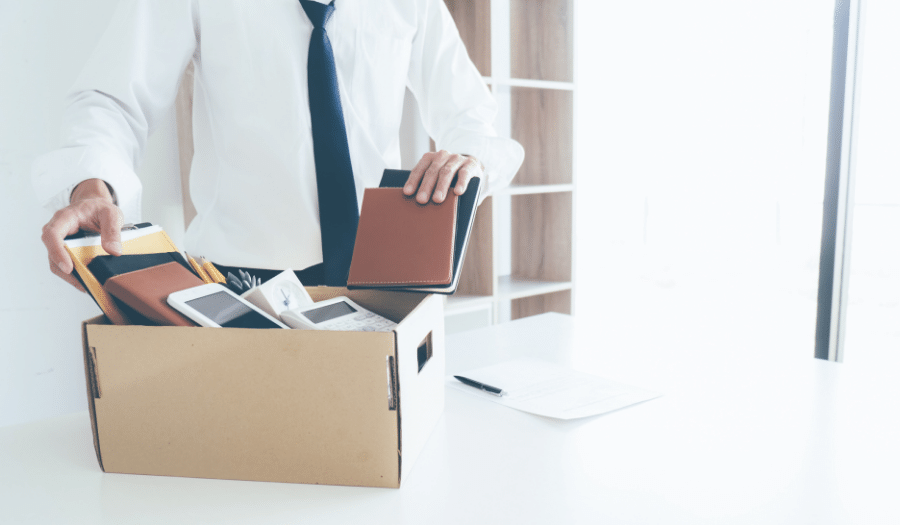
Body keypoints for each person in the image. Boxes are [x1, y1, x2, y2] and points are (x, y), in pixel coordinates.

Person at [34, 0, 523, 288]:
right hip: (238, 283)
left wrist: (469, 158)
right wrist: (93, 189)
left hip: (384, 278)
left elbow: (473, 116)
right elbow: (112, 99)